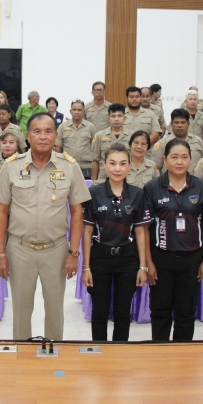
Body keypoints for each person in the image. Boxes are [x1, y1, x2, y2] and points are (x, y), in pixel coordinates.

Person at [0, 112, 91, 340]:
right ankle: (22, 354)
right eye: (37, 131)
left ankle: (54, 352)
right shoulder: (11, 166)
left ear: (56, 135)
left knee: (55, 310)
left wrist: (74, 253)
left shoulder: (69, 166)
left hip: (56, 250)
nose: (43, 136)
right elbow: (1, 211)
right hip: (20, 250)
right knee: (20, 310)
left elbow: (77, 212)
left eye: (48, 131)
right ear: (27, 136)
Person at [144, 138, 203, 341]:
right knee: (160, 310)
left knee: (186, 311)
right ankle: (160, 351)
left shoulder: (201, 187)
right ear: (165, 159)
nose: (179, 162)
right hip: (161, 257)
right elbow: (145, 229)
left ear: (190, 160)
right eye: (174, 157)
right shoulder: (152, 187)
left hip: (191, 258)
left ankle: (183, 353)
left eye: (184, 157)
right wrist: (148, 263)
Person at [82, 143, 151, 341]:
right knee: (100, 311)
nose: (117, 169)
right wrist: (86, 267)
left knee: (123, 312)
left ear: (129, 165)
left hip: (128, 258)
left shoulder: (137, 194)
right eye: (112, 163)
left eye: (122, 163)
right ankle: (99, 351)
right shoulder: (94, 193)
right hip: (100, 257)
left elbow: (140, 231)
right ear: (104, 165)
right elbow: (87, 232)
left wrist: (143, 267)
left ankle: (120, 351)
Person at [152, 109, 203, 175]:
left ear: (188, 124)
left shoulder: (198, 141)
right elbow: (156, 168)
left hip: (194, 180)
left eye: (183, 122)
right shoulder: (162, 143)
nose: (180, 125)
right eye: (176, 122)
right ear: (171, 124)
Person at [91, 103, 134, 184]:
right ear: (108, 118)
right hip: (104, 178)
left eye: (119, 116)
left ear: (124, 118)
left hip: (127, 177)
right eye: (113, 116)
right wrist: (94, 181)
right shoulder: (100, 136)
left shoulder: (132, 136)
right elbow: (95, 160)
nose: (116, 119)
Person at [54, 100, 96, 177]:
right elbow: (58, 148)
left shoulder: (90, 127)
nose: (77, 112)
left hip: (86, 166)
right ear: (70, 111)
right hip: (67, 165)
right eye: (74, 110)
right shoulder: (63, 127)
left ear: (84, 112)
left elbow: (95, 148)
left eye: (79, 110)